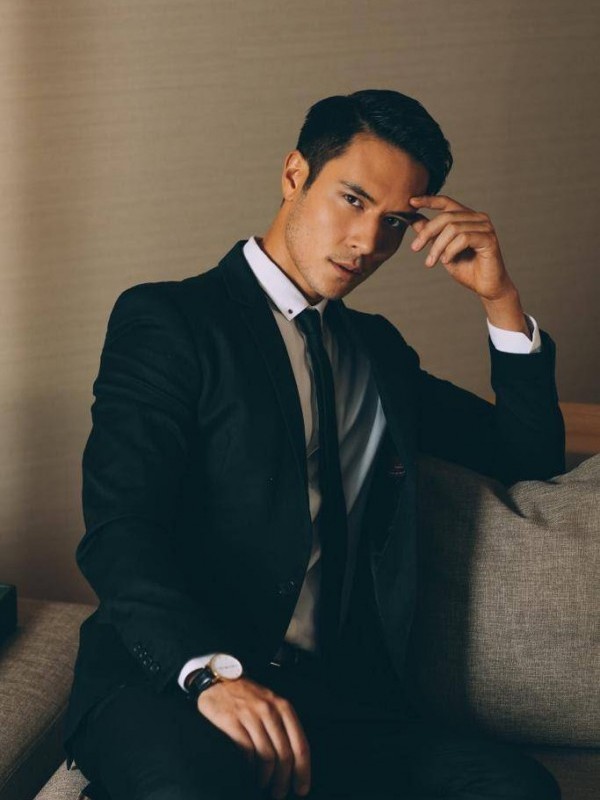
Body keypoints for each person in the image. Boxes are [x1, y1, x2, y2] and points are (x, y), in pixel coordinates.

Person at [64, 89, 565, 799]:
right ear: (295, 174)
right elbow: (120, 527)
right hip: (173, 683)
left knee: (513, 787)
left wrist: (500, 298)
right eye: (353, 200)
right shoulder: (172, 321)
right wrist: (209, 675)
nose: (368, 242)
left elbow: (527, 457)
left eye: (394, 222)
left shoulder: (378, 353)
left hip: (328, 697)